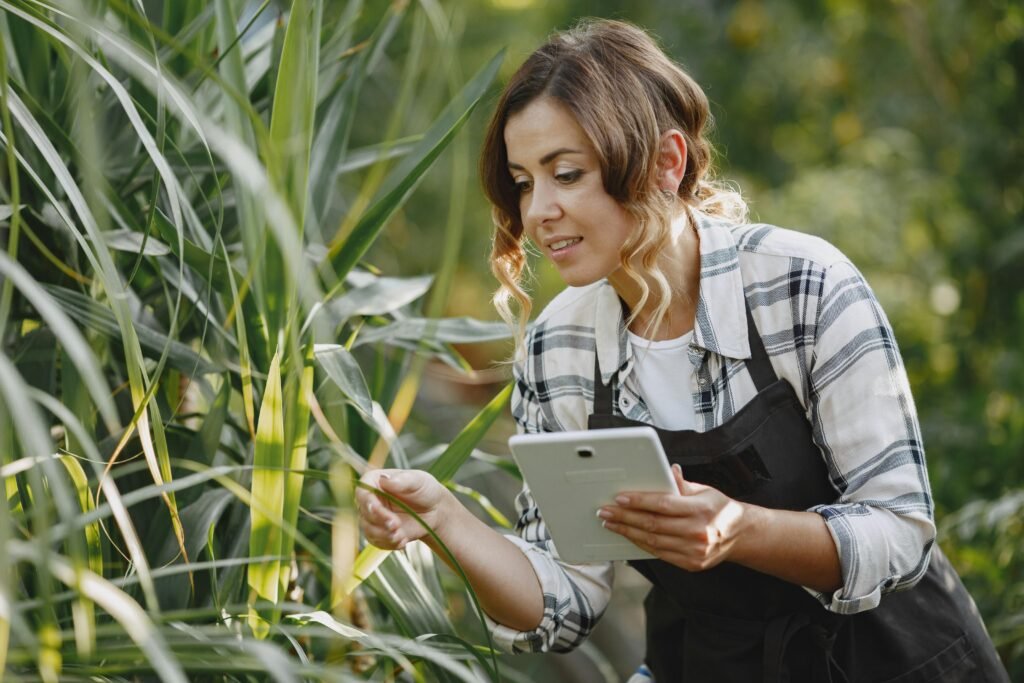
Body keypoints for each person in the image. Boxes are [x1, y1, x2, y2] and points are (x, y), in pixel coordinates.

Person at [356, 18, 1008, 682]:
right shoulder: (559, 347)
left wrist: (740, 528)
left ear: (667, 161)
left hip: (896, 660)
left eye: (567, 173)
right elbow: (567, 602)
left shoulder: (804, 285)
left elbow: (900, 533)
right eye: (524, 182)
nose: (537, 211)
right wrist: (445, 523)